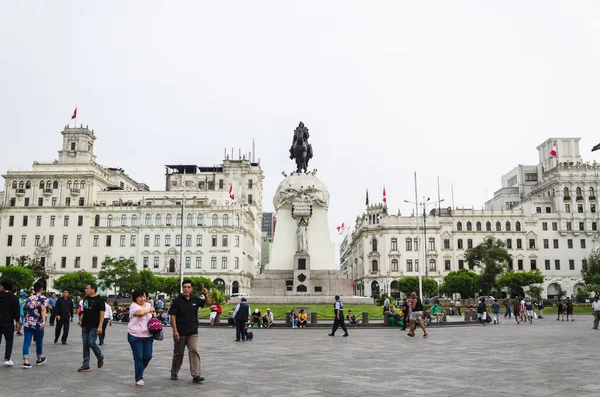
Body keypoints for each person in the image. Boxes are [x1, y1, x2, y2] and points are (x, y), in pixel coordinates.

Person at [168, 279, 211, 384]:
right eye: (184, 287)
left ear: (191, 289)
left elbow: (208, 304)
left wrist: (206, 294)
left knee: (194, 351)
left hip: (193, 331)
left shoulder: (195, 299)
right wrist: (175, 331)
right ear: (182, 288)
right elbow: (172, 315)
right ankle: (174, 371)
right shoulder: (177, 300)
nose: (186, 289)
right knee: (179, 353)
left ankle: (196, 374)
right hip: (180, 331)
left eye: (188, 287)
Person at [127, 288, 155, 386]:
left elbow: (150, 315)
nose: (142, 298)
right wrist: (150, 309)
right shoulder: (133, 306)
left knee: (148, 356)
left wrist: (154, 314)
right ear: (135, 298)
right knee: (138, 356)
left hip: (148, 335)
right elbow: (140, 313)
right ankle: (139, 378)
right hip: (135, 335)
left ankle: (139, 370)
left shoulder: (148, 305)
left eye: (144, 296)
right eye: (140, 296)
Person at [78, 282, 105, 373]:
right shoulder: (86, 298)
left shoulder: (99, 299)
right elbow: (84, 311)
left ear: (93, 289)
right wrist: (81, 319)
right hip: (85, 324)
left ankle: (99, 356)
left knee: (91, 342)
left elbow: (102, 314)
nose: (86, 290)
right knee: (85, 344)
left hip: (94, 325)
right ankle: (85, 365)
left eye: (87, 288)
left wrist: (100, 326)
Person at [22, 282, 48, 368]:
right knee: (39, 341)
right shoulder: (43, 298)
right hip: (38, 323)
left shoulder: (28, 299)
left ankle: (26, 360)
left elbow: (25, 310)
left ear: (34, 289)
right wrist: (44, 321)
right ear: (41, 289)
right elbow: (43, 309)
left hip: (28, 323)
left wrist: (27, 318)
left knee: (26, 342)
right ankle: (39, 358)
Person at [0, 280, 21, 366]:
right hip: (8, 322)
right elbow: (16, 310)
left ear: (3, 287)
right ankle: (7, 358)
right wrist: (17, 321)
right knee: (9, 341)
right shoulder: (14, 297)